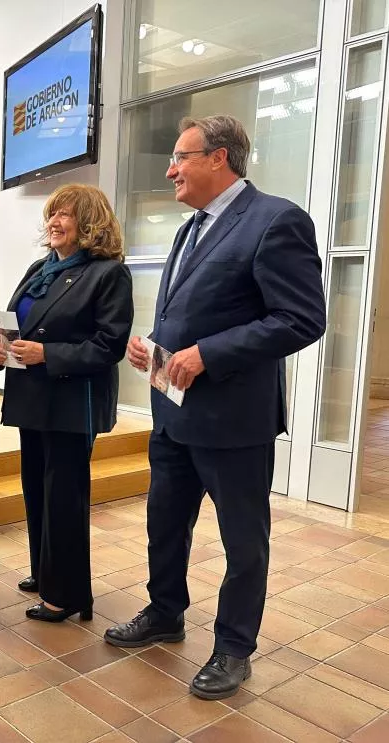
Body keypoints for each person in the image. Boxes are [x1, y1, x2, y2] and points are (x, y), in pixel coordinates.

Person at [104, 115, 326, 700]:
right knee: (164, 524)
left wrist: (208, 355)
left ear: (219, 158)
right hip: (174, 413)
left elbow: (300, 319)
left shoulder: (276, 220)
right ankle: (165, 612)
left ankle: (233, 647)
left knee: (242, 542)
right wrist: (153, 350)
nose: (170, 170)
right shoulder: (190, 228)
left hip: (234, 420)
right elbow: (191, 313)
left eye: (180, 157)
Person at [0, 184, 132, 624]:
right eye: (51, 213)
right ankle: (45, 571)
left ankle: (67, 595)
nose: (53, 221)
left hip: (72, 403)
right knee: (37, 490)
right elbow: (18, 324)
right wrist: (2, 349)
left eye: (64, 214)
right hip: (33, 398)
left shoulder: (108, 273)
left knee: (63, 497)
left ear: (90, 221)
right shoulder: (41, 267)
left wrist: (47, 354)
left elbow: (110, 345)